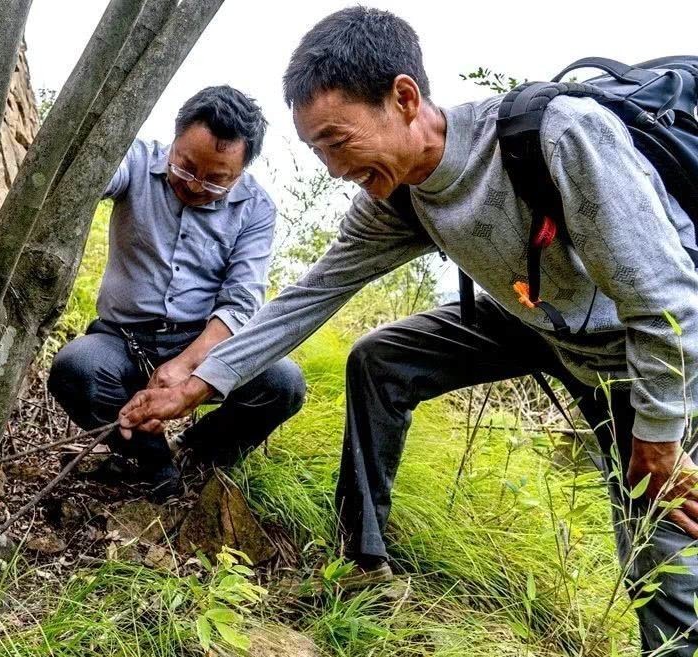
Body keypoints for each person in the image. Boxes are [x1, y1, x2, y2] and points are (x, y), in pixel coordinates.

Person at [118, 7, 698, 653]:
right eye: (318, 151)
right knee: (380, 359)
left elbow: (669, 302)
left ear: (403, 97)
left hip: (640, 350)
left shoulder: (556, 136)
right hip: (531, 320)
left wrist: (661, 435)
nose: (334, 169)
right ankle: (362, 561)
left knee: (664, 547)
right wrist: (199, 382)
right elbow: (311, 294)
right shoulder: (397, 196)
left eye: (338, 141)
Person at [47, 85, 306, 500]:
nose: (195, 185)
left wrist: (186, 366)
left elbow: (240, 303)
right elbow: (89, 176)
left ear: (240, 171)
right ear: (175, 139)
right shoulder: (136, 160)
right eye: (185, 167)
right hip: (122, 340)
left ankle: (196, 452)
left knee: (282, 382)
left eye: (216, 179)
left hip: (201, 341)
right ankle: (153, 462)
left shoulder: (256, 209)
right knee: (77, 369)